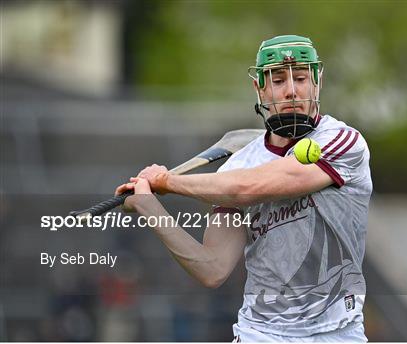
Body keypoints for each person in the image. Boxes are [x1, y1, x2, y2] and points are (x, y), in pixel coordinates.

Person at [115, 35, 372, 342]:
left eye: (301, 78)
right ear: (259, 89)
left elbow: (251, 188)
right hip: (261, 333)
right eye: (278, 81)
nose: (291, 90)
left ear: (317, 82)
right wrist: (149, 205)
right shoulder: (237, 167)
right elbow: (212, 268)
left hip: (337, 333)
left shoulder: (342, 142)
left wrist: (169, 183)